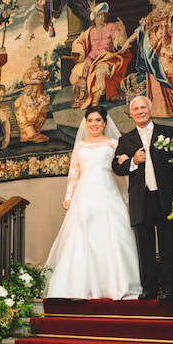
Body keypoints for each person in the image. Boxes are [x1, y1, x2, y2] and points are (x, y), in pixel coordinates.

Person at [44, 106, 142, 300]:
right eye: (90, 120)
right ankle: (77, 288)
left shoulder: (114, 144)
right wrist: (68, 197)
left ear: (104, 123)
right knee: (82, 238)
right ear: (85, 123)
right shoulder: (80, 146)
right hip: (84, 195)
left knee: (112, 236)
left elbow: (122, 170)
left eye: (98, 120)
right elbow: (74, 173)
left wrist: (126, 162)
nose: (94, 124)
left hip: (108, 193)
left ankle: (117, 284)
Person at [112, 96, 173, 303]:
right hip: (141, 199)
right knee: (145, 246)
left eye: (143, 107)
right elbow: (117, 167)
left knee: (169, 243)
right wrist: (133, 161)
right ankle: (149, 288)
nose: (140, 111)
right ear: (131, 113)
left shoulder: (168, 132)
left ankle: (171, 288)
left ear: (150, 110)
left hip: (166, 196)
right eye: (136, 109)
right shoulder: (126, 140)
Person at [70, 1, 131, 109]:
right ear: (94, 18)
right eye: (98, 15)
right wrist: (82, 53)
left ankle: (94, 104)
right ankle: (90, 91)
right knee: (73, 78)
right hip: (91, 59)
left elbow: (118, 45)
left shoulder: (112, 27)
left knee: (100, 72)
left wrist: (122, 31)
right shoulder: (89, 31)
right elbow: (78, 42)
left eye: (103, 15)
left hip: (108, 58)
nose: (101, 18)